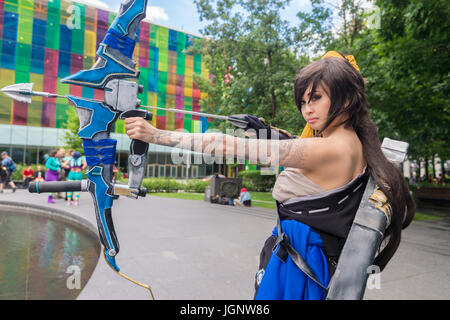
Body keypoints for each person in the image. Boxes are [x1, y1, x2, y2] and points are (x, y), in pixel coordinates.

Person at [123, 51, 415, 300]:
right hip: (309, 259)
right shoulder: (354, 143)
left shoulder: (331, 148)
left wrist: (156, 135)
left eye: (316, 98)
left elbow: (226, 146)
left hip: (301, 268)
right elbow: (295, 148)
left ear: (348, 99)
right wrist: (265, 131)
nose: (307, 110)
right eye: (303, 102)